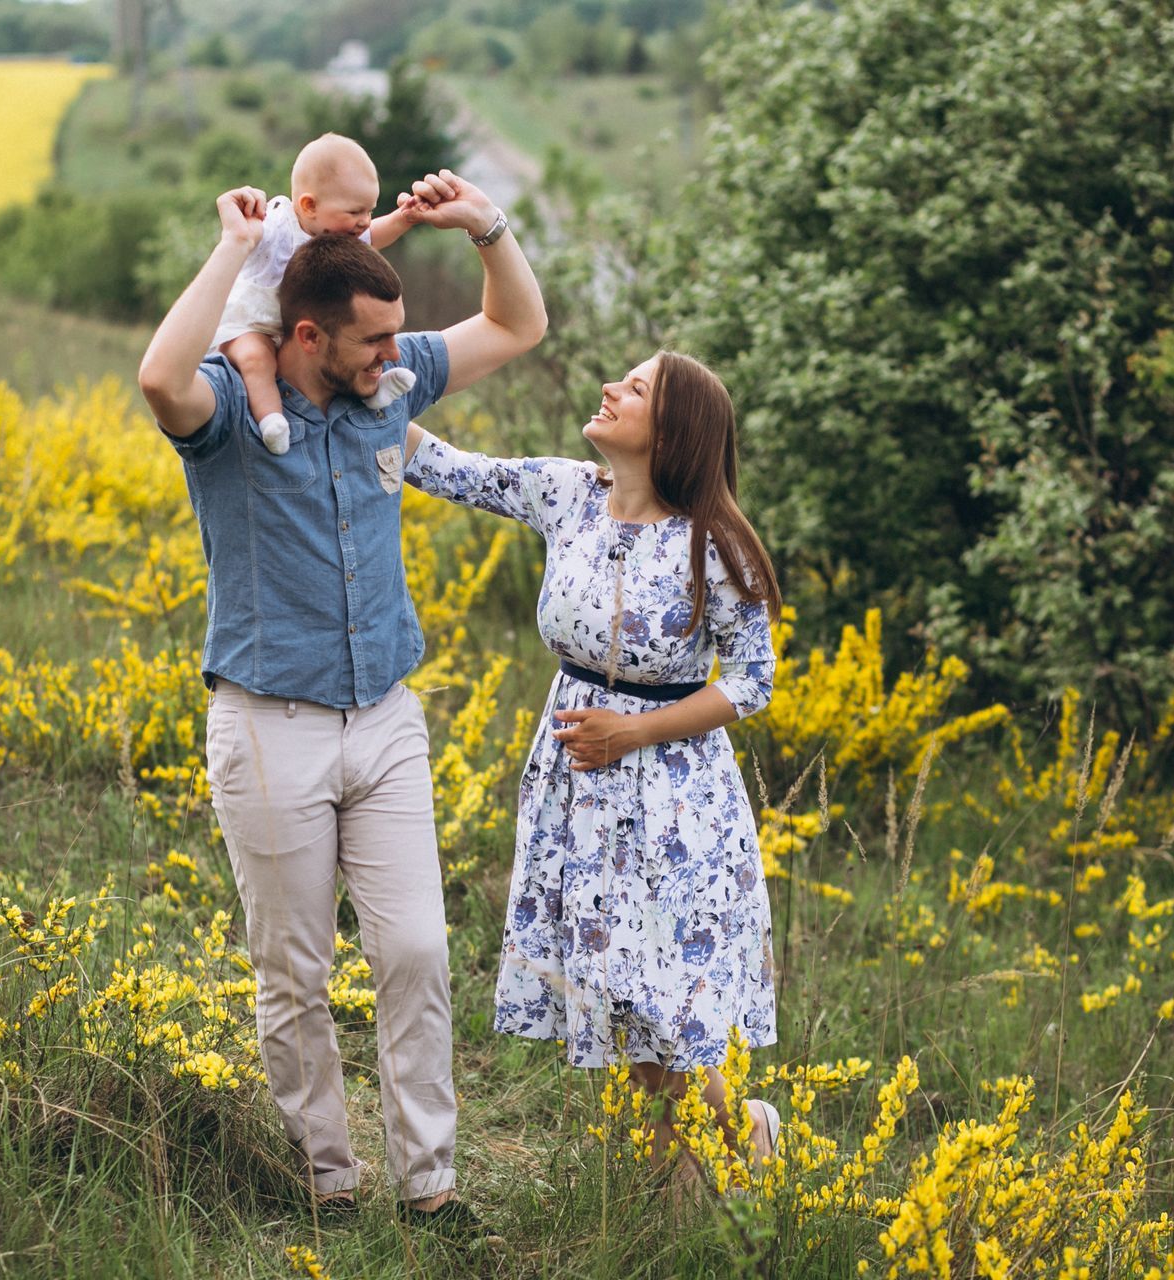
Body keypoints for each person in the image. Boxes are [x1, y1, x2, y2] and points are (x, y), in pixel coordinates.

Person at [137, 171, 545, 1230]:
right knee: (296, 967)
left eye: (398, 340)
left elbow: (518, 322)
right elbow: (155, 376)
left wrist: (485, 224)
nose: (393, 360)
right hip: (270, 725)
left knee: (415, 946)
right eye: (372, 342)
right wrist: (235, 247)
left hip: (386, 720)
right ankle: (328, 1172)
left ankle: (431, 1180)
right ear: (309, 335)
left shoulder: (392, 380)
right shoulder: (230, 414)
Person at [401, 351, 784, 1183]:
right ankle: (683, 1170)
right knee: (608, 987)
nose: (611, 390)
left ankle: (726, 1138)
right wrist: (370, 380)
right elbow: (441, 467)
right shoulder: (567, 491)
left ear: (673, 430)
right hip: (574, 785)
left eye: (636, 389)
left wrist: (634, 734)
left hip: (673, 793)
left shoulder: (716, 545)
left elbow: (753, 682)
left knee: (660, 997)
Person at [216, 133, 422, 455]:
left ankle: (373, 394)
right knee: (257, 360)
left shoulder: (339, 230)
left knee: (338, 357)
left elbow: (376, 234)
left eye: (369, 210)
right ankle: (271, 420)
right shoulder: (278, 226)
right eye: (356, 212)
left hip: (297, 330)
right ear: (309, 206)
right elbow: (244, 239)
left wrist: (403, 217)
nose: (364, 222)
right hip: (253, 323)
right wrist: (243, 213)